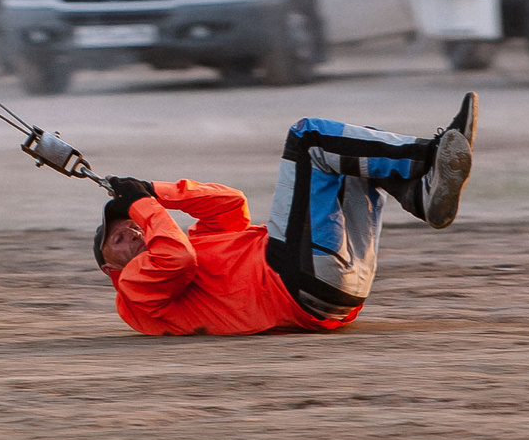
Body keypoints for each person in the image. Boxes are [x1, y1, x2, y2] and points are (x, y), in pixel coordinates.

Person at [92, 95, 477, 337]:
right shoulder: (133, 290)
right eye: (119, 240)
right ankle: (431, 156)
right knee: (308, 137)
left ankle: (421, 195)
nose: (132, 233)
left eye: (127, 227)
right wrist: (143, 207)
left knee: (355, 151)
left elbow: (230, 204)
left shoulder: (194, 242)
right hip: (295, 280)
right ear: (111, 270)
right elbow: (176, 258)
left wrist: (153, 190)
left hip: (333, 289)